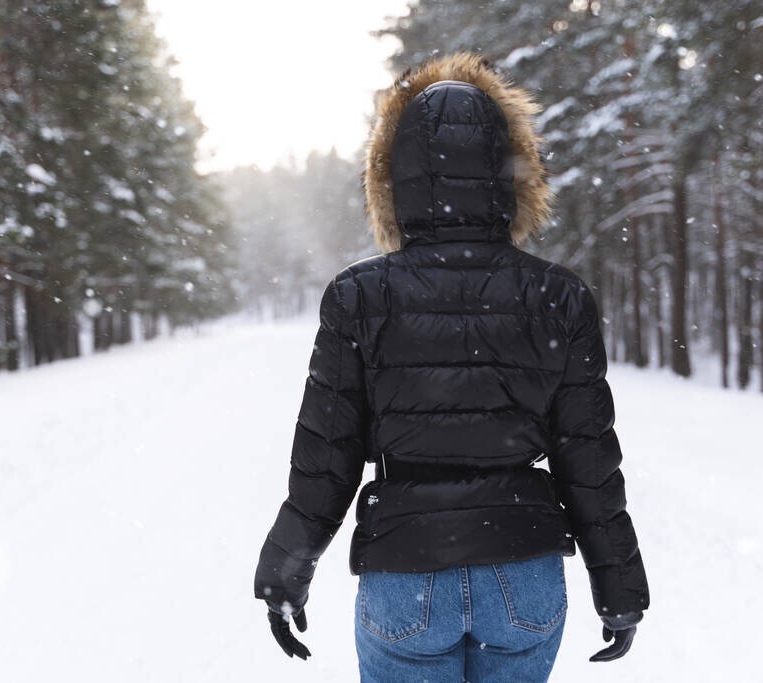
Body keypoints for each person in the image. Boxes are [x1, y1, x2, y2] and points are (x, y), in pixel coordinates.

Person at [253, 52, 650, 682]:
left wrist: (286, 570)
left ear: (392, 180)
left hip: (405, 570)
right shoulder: (558, 295)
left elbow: (327, 454)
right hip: (523, 571)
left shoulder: (358, 297)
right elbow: (588, 458)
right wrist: (620, 584)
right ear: (512, 172)